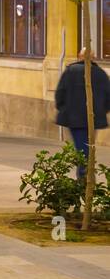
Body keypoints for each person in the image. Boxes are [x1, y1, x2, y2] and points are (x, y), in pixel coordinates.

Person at [54, 48, 110, 180]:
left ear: (79, 56)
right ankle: (86, 174)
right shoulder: (101, 73)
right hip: (93, 117)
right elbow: (109, 97)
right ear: (93, 57)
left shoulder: (70, 72)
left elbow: (60, 94)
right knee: (87, 145)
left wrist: (63, 109)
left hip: (73, 118)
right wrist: (101, 110)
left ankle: (84, 175)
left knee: (82, 147)